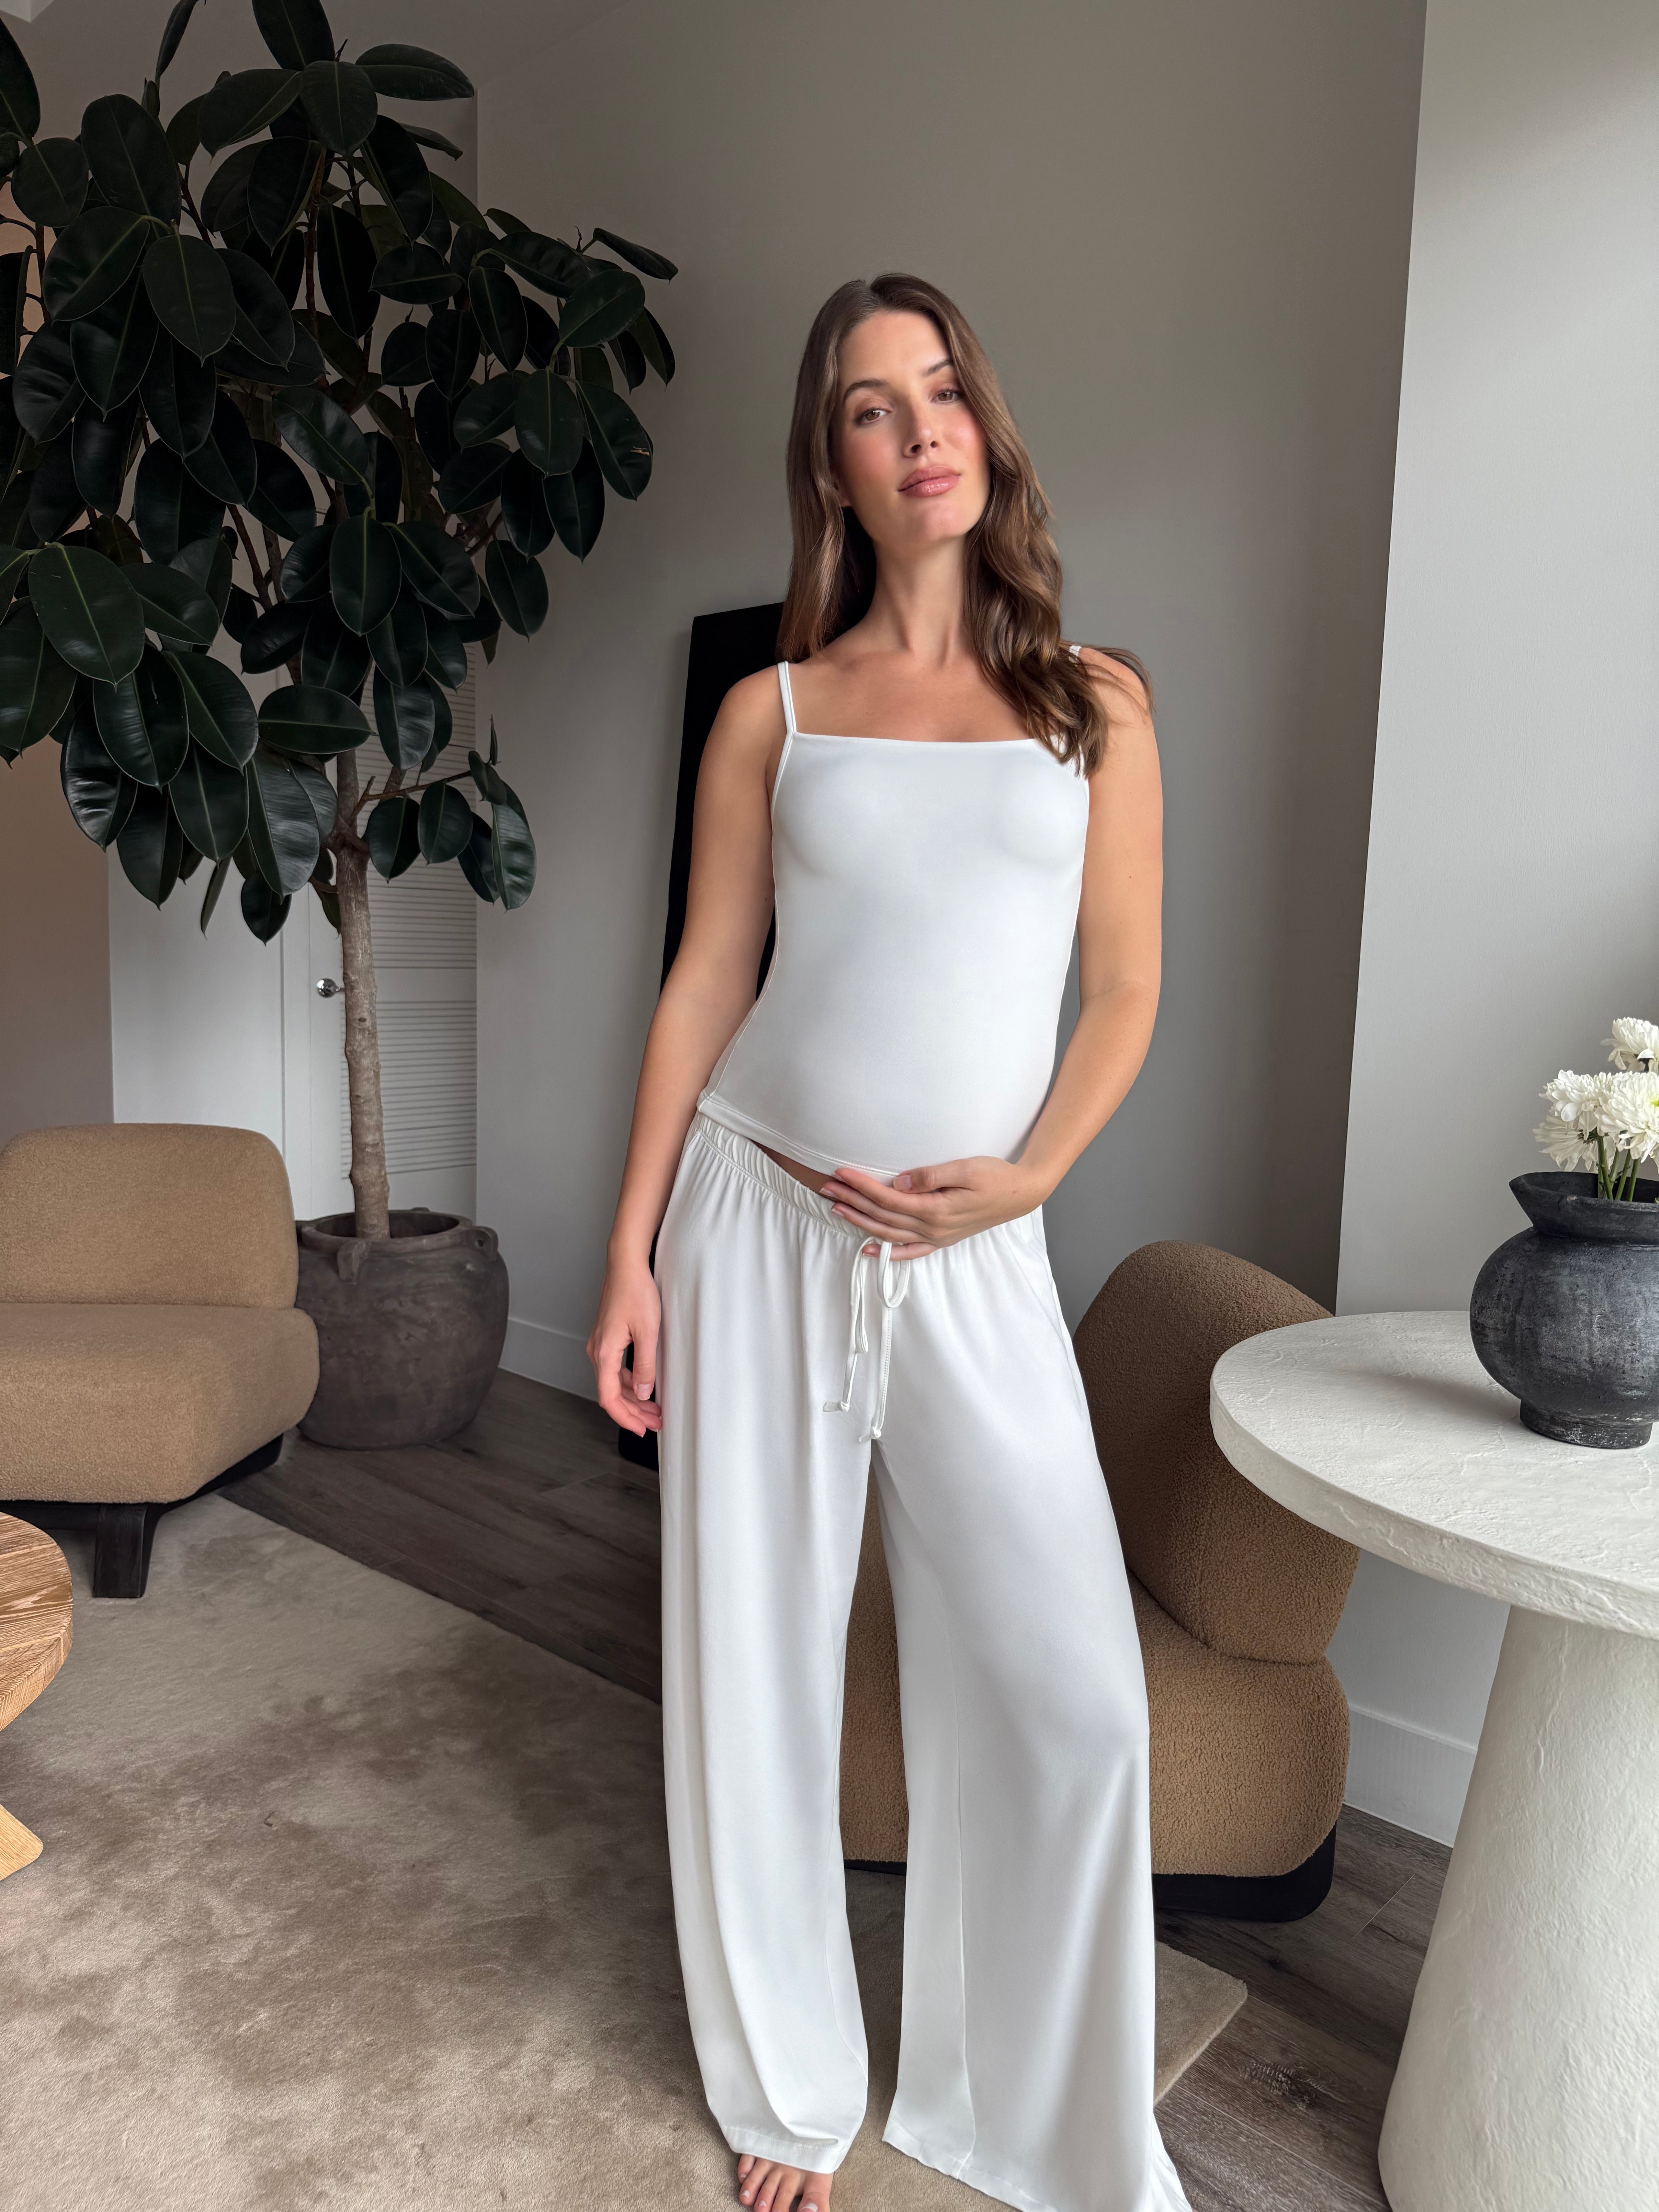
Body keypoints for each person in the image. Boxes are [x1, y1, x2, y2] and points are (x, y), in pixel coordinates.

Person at [588, 271, 1187, 2212]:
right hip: (754, 1214)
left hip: (974, 1251)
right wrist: (629, 1255)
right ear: (832, 470)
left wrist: (1029, 1182)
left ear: (986, 433)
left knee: (1075, 1690)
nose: (918, 426)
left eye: (942, 391)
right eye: (871, 405)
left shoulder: (1095, 709)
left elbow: (1120, 996)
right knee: (750, 1666)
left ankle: (1011, 2101)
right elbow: (701, 985)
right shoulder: (773, 715)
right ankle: (788, 2086)